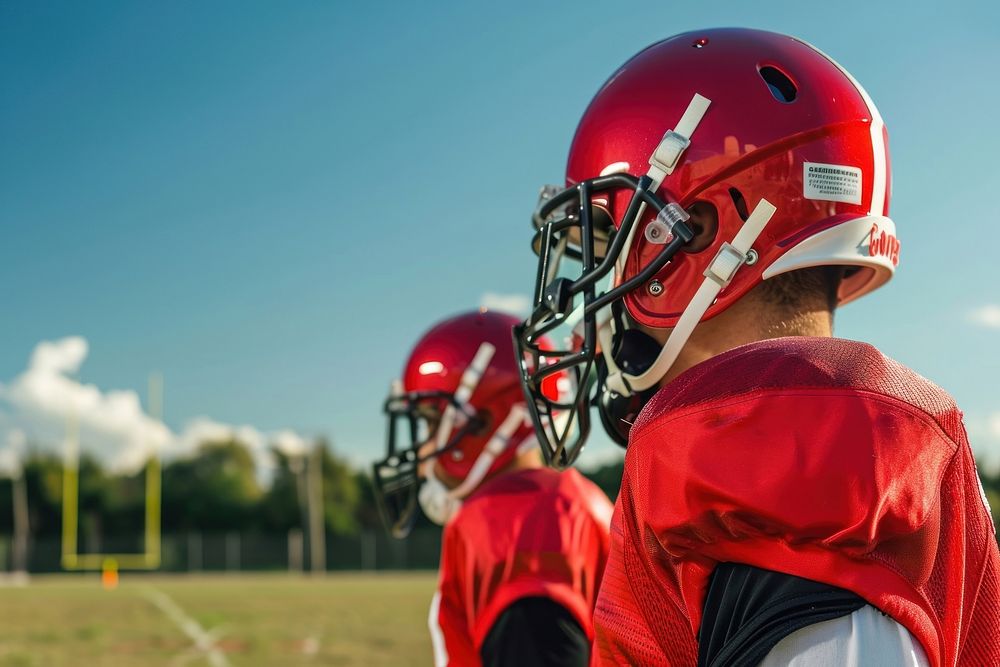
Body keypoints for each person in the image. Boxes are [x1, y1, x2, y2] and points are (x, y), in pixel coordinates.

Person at [514, 28, 1000, 666]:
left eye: (610, 244)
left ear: (703, 234)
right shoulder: (735, 456)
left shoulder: (774, 476)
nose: (595, 293)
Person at [374, 309, 613, 667]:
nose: (422, 451)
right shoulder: (560, 500)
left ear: (485, 420)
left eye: (430, 423)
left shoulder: (521, 525)